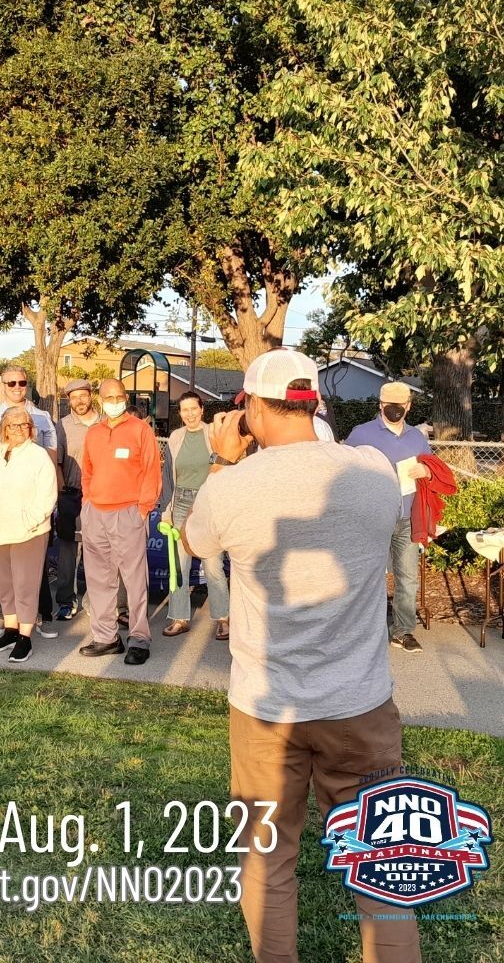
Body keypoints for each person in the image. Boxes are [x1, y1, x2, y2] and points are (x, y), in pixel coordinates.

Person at [181, 349, 421, 963]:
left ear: (254, 409)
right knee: (384, 871)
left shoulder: (233, 484)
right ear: (314, 402)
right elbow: (356, 481)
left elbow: (195, 539)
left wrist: (222, 458)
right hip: (359, 702)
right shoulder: (369, 468)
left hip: (266, 705)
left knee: (266, 857)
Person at [78, 378, 161, 665]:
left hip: (128, 512)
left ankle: (139, 637)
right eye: (108, 397)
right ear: (100, 400)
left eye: (119, 396)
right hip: (95, 514)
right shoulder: (93, 433)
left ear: (125, 398)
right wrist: (87, 503)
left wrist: (143, 508)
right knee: (99, 578)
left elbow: (152, 472)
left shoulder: (141, 430)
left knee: (135, 579)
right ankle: (106, 637)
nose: (114, 401)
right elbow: (86, 472)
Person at [346, 381, 432, 653]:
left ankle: (403, 631)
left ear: (408, 406)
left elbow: (432, 468)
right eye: (389, 407)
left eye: (400, 407)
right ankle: (364, 630)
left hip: (408, 517)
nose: (395, 411)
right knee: (369, 574)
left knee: (407, 577)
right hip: (373, 517)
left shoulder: (418, 438)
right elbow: (344, 472)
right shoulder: (361, 434)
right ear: (380, 405)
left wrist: (426, 473)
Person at [0, 406, 58, 662]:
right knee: (4, 584)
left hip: (28, 533)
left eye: (23, 425)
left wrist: (28, 522)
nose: (19, 429)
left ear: (31, 428)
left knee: (25, 585)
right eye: (13, 425)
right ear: (4, 429)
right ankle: (10, 630)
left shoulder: (39, 456)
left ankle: (25, 636)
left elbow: (47, 495)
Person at [159, 391, 230, 640]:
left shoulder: (214, 434)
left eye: (193, 409)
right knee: (179, 564)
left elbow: (226, 468)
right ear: (180, 413)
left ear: (202, 410)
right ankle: (179, 617)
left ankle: (223, 617)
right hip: (180, 502)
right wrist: (165, 510)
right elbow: (168, 477)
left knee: (213, 564)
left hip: (208, 502)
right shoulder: (175, 438)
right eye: (184, 410)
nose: (189, 414)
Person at [54, 379, 99, 621]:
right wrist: (63, 493)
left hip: (101, 495)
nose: (79, 401)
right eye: (73, 397)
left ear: (91, 396)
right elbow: (57, 463)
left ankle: (95, 600)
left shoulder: (105, 423)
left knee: (98, 550)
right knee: (68, 550)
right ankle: (65, 601)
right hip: (72, 493)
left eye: (83, 396)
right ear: (68, 400)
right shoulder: (62, 426)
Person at [0, 367, 57, 453]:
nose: (17, 387)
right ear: (3, 386)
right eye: (12, 383)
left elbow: (52, 454)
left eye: (22, 383)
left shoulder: (43, 417)